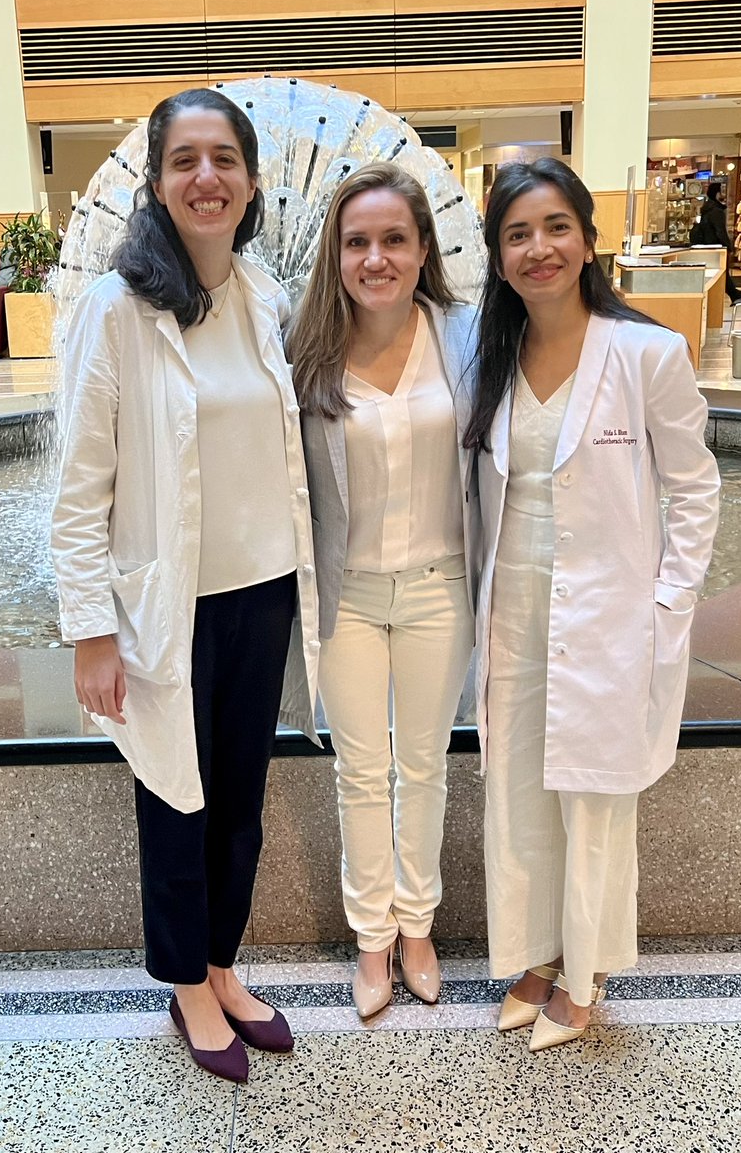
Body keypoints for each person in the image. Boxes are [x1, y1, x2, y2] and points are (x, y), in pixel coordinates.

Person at [51, 88, 320, 1083]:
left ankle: (222, 963)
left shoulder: (263, 295)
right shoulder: (116, 311)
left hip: (263, 591)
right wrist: (89, 629)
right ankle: (185, 985)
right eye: (184, 161)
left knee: (240, 798)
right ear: (158, 183)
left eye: (224, 160)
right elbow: (80, 485)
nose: (206, 178)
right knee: (177, 796)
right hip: (168, 603)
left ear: (249, 183)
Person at [463, 158, 719, 1052]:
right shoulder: (490, 359)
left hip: (611, 615)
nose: (538, 249)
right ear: (497, 256)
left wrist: (666, 602)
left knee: (596, 801)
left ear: (587, 237)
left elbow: (694, 489)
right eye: (517, 234)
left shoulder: (647, 353)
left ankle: (588, 969)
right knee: (523, 794)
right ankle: (535, 955)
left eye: (554, 227)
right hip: (516, 613)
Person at [287, 163, 479, 1018]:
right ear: (336, 255)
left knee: (424, 766)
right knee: (360, 774)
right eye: (356, 242)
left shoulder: (465, 337)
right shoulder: (307, 352)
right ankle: (372, 939)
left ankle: (418, 928)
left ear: (422, 247)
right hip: (350, 599)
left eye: (392, 239)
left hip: (441, 587)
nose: (375, 258)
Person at [692, 182, 741, 304]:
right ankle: (734, 294)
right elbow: (720, 231)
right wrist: (728, 246)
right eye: (721, 191)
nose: (723, 194)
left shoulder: (707, 208)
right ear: (716, 193)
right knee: (722, 270)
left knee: (722, 271)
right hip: (715, 245)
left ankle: (734, 294)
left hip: (707, 244)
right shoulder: (716, 211)